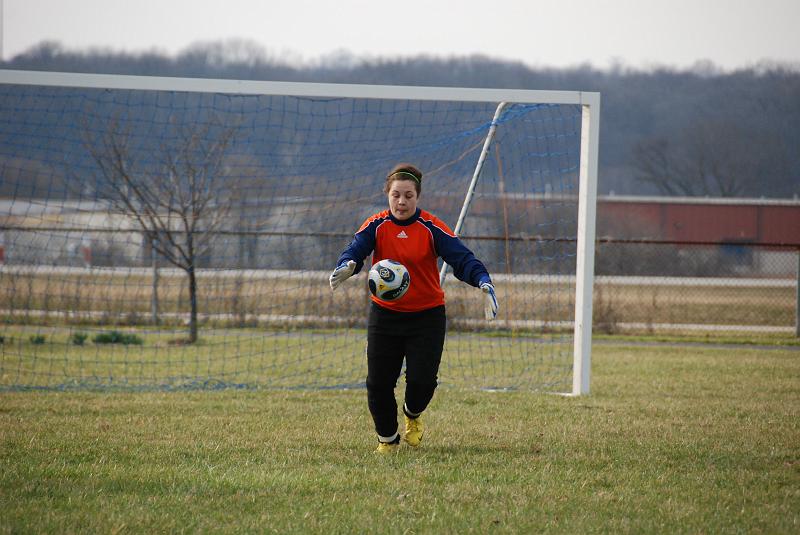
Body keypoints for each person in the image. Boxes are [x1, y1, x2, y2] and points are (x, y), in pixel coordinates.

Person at [329, 163, 499, 453]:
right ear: (388, 195)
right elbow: (356, 249)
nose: (402, 201)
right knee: (377, 383)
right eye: (396, 195)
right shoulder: (376, 225)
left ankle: (412, 414)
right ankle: (388, 440)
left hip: (427, 317)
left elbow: (462, 259)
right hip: (385, 316)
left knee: (422, 382)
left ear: (417, 197)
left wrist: (483, 280)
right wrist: (349, 264)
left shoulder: (432, 228)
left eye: (408, 195)